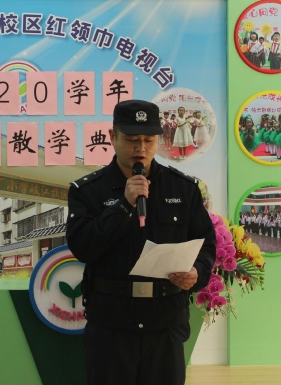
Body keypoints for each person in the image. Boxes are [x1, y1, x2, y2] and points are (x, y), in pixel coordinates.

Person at [66, 99, 216, 385]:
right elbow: (82, 247)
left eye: (149, 140)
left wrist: (197, 272)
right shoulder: (88, 191)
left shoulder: (183, 188)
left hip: (165, 322)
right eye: (132, 140)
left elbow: (206, 244)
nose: (141, 148)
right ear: (113, 137)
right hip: (111, 324)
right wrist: (124, 205)